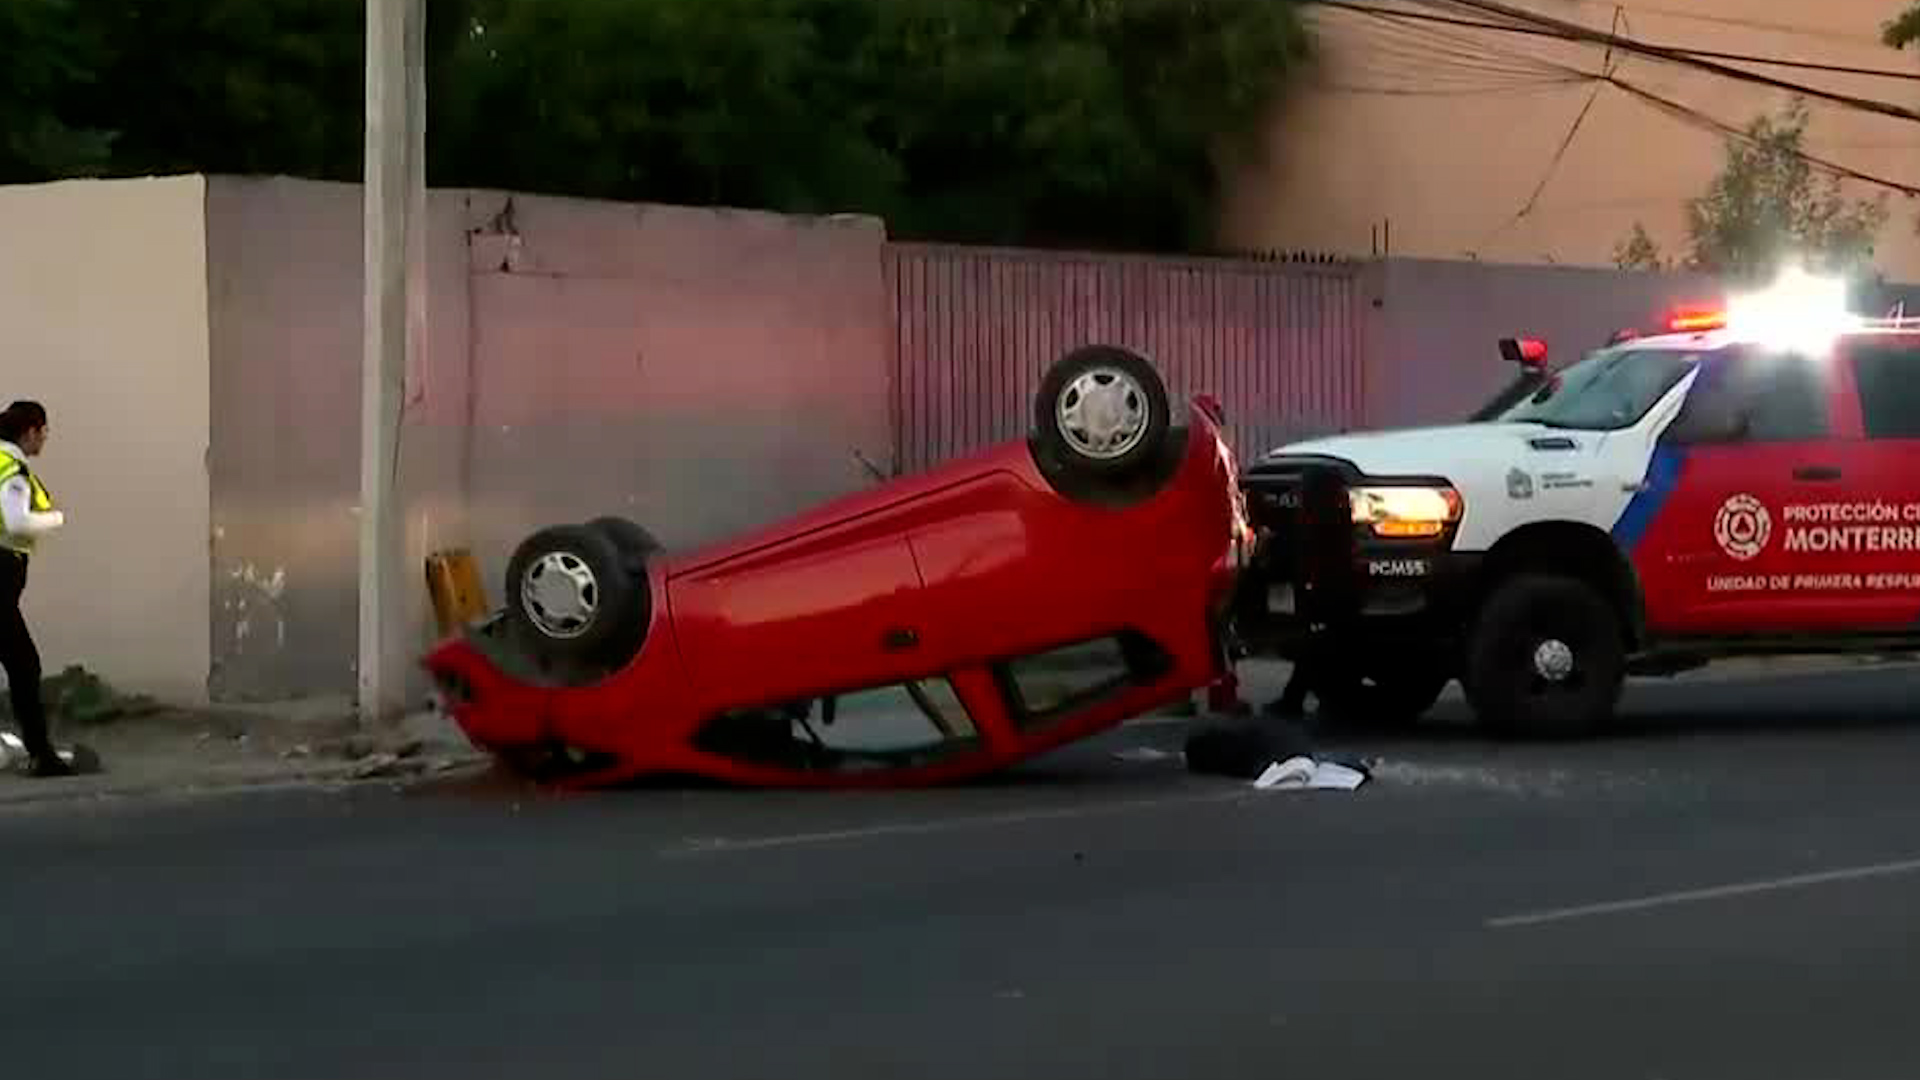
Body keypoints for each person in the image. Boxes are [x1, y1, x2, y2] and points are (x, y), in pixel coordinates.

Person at [0, 400, 73, 777]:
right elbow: (15, 523)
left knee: (20, 662)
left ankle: (39, 751)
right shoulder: (11, 468)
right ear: (29, 431)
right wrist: (55, 519)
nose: (45, 437)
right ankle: (41, 754)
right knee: (24, 664)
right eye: (43, 430)